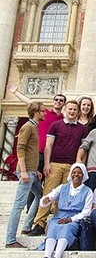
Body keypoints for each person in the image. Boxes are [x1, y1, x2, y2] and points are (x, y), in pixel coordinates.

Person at [29, 100, 89, 236]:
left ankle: (57, 223)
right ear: (65, 110)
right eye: (70, 109)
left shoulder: (82, 129)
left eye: (75, 109)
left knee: (64, 198)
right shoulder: (56, 125)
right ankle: (39, 223)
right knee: (48, 194)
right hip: (55, 164)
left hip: (72, 167)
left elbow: (82, 149)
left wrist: (80, 166)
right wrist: (46, 163)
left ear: (78, 111)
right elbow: (48, 145)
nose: (72, 111)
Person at [5, 101, 45, 248]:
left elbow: (30, 152)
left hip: (32, 171)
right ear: (36, 112)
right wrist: (23, 171)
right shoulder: (27, 127)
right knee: (18, 205)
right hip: (26, 171)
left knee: (40, 195)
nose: (44, 113)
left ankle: (27, 225)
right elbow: (20, 148)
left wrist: (35, 170)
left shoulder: (34, 126)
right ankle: (10, 239)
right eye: (42, 111)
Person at [38, 163, 92, 258]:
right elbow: (48, 198)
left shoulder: (88, 191)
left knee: (66, 228)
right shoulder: (62, 187)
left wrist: (71, 219)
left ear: (83, 174)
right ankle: (47, 256)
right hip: (59, 216)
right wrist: (45, 200)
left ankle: (57, 257)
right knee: (53, 226)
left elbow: (86, 212)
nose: (76, 175)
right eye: (74, 172)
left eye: (79, 173)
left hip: (74, 219)